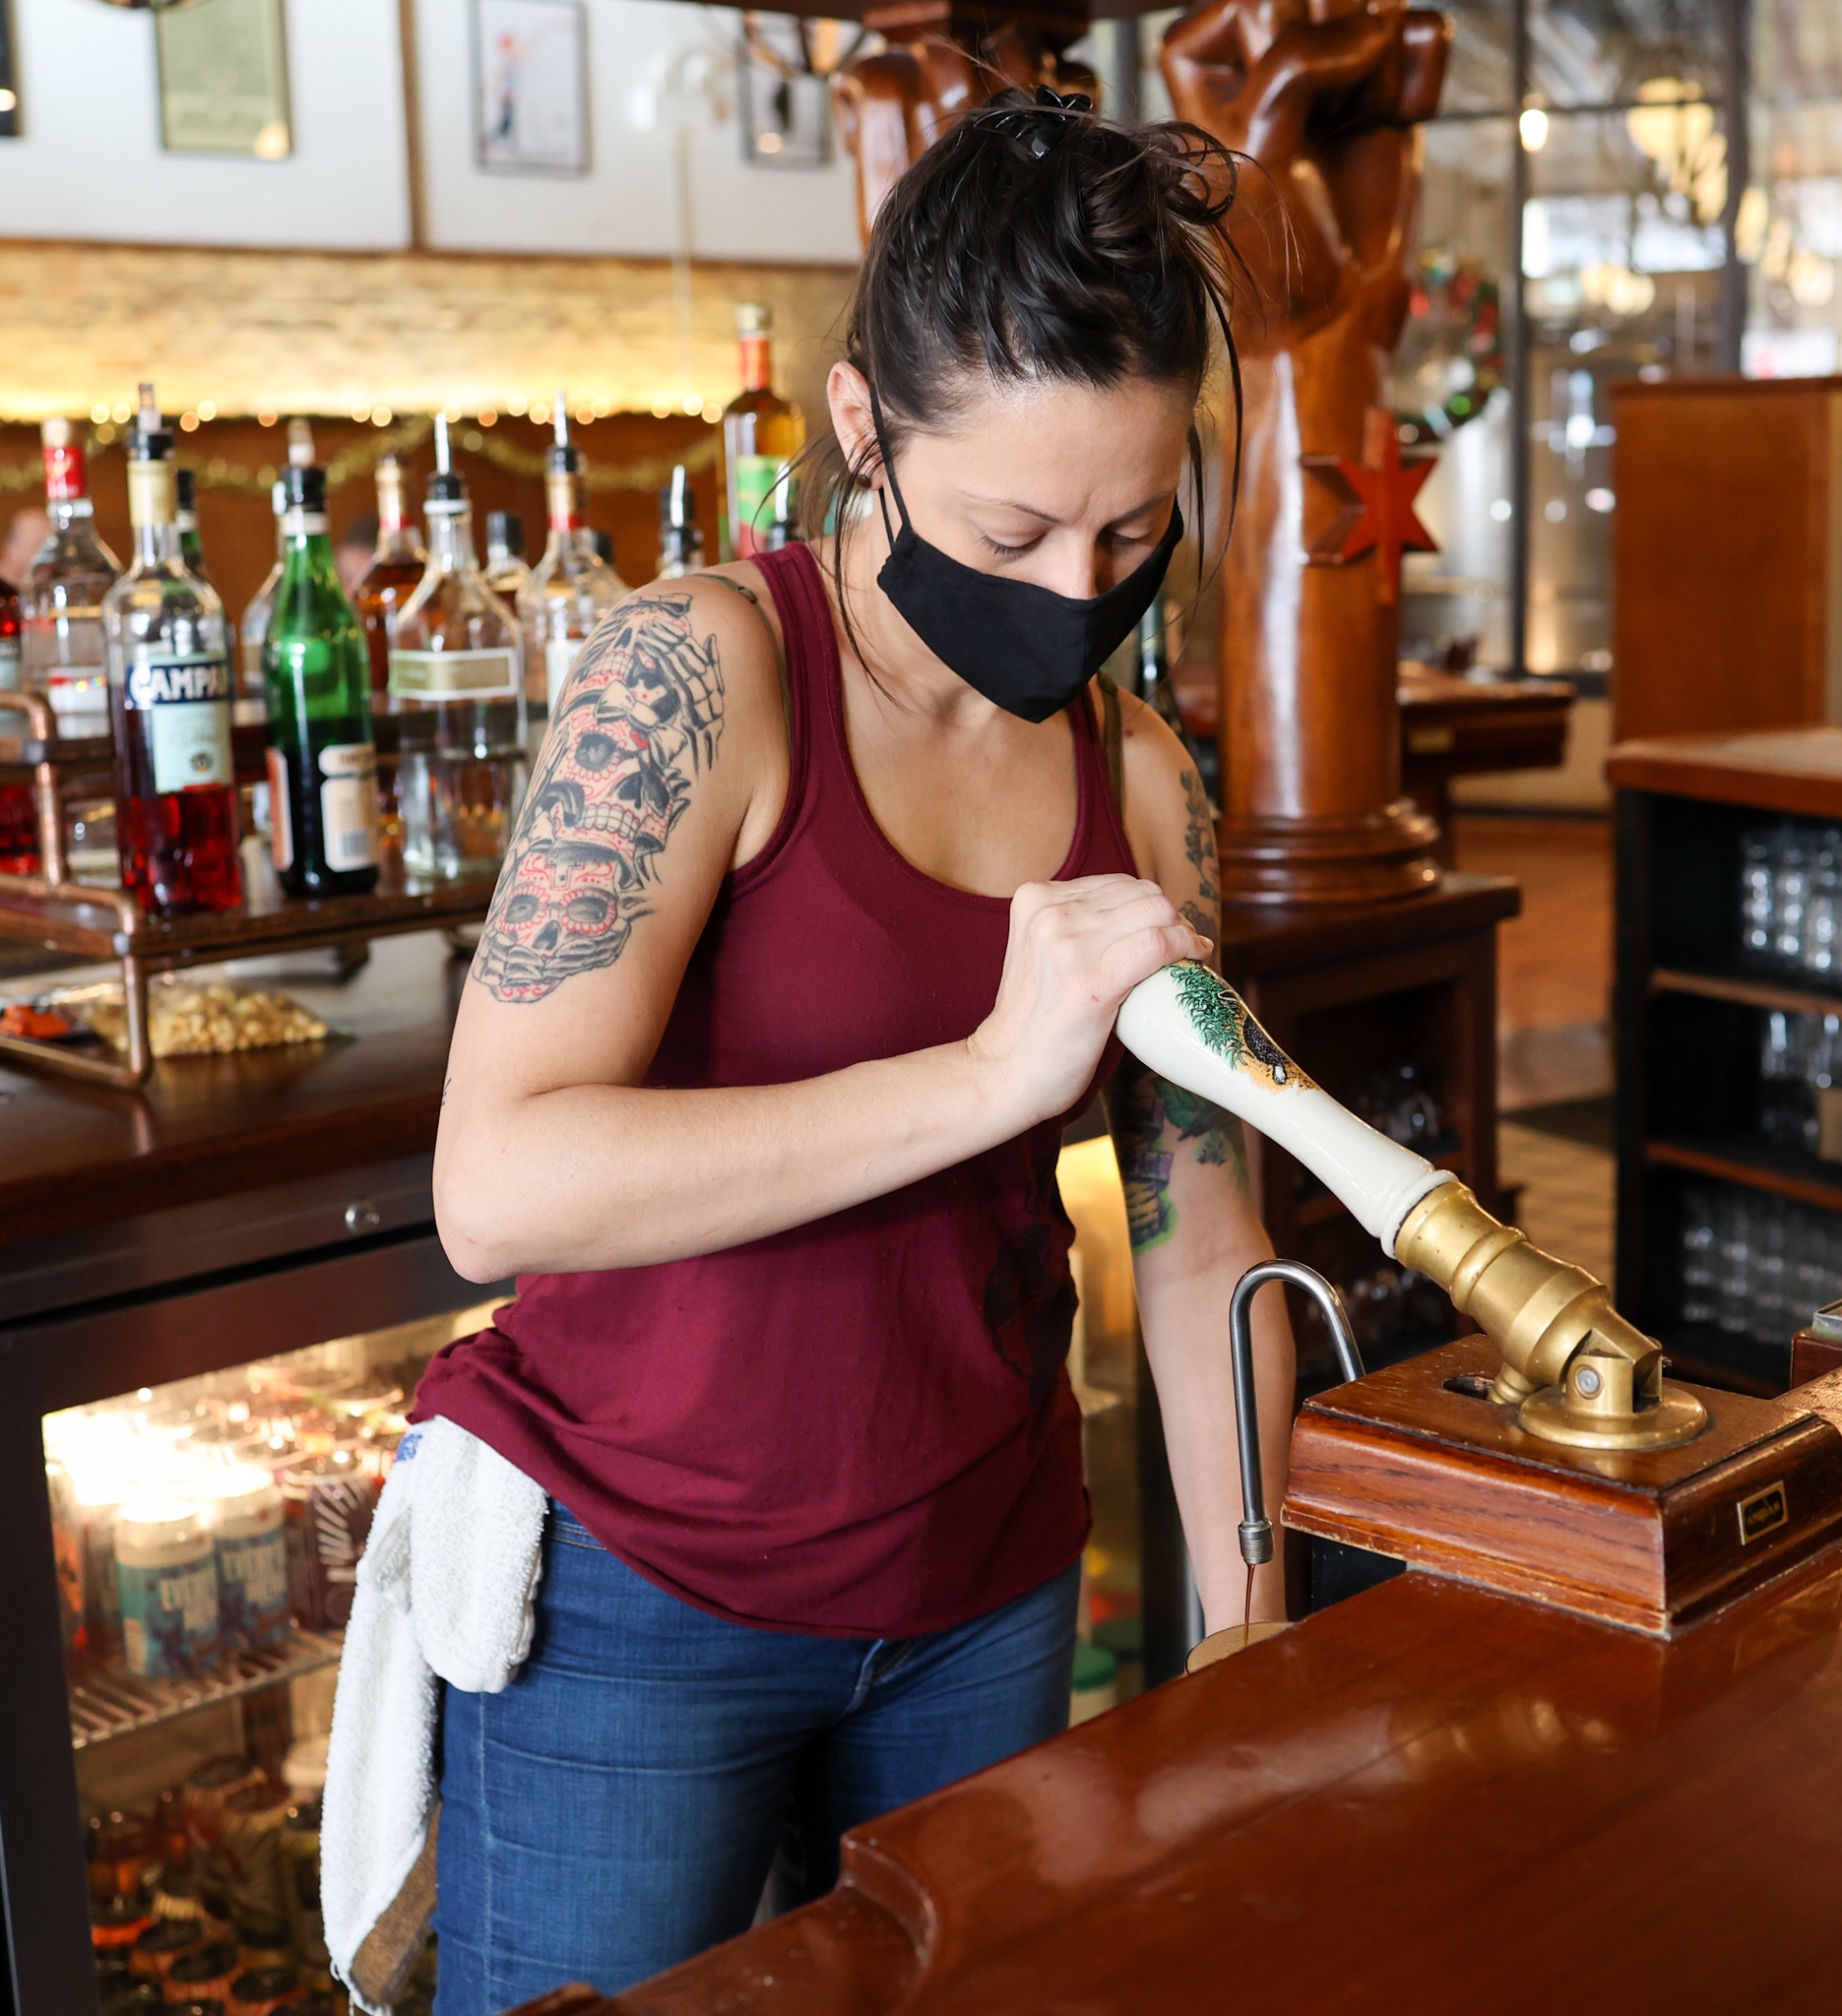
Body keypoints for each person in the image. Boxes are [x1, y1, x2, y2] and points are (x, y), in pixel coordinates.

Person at [416, 88, 1297, 2015]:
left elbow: (1201, 1241)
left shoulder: (1143, 782)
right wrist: (987, 1076)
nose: (1074, 592)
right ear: (860, 429)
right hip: (643, 1596)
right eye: (1011, 528)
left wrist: (1250, 1631)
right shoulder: (701, 675)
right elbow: (495, 1185)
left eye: (1131, 530)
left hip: (986, 1589)